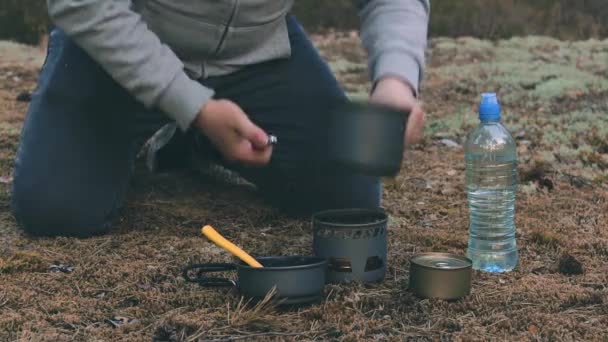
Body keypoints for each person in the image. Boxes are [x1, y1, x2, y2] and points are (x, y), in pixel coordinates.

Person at [11, 0, 430, 237]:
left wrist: (396, 79)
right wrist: (192, 104)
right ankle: (182, 121)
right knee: (56, 209)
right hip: (124, 39)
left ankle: (195, 139)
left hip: (254, 51)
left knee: (347, 201)